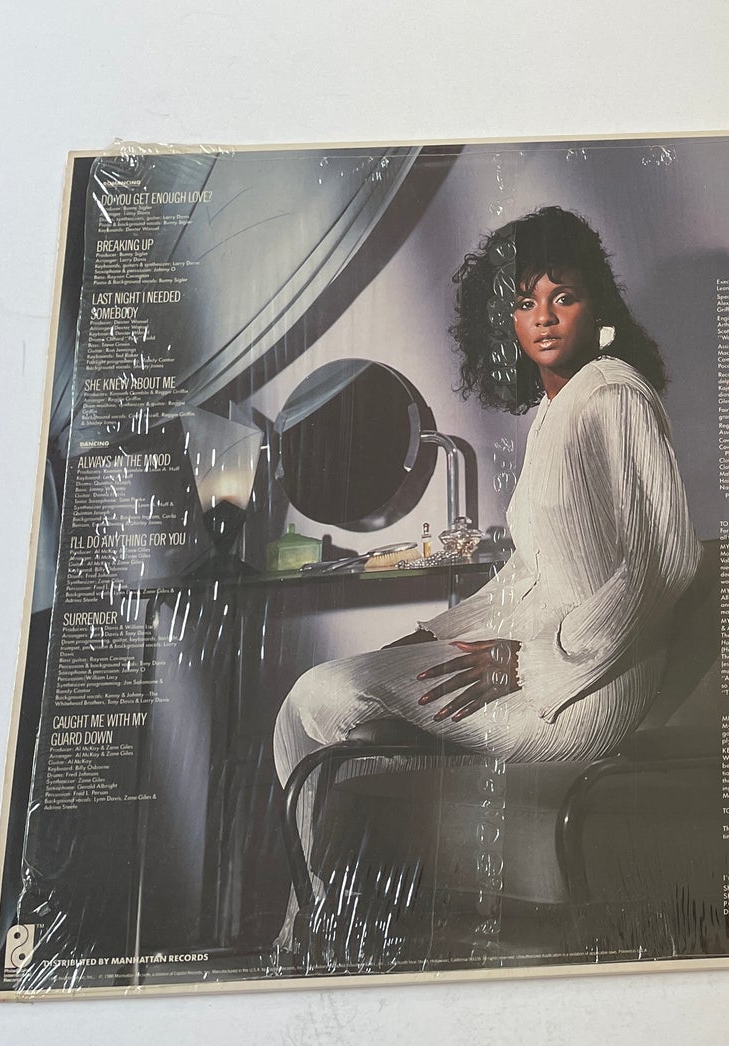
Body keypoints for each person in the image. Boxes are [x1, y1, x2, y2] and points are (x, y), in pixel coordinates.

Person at [272, 206, 699, 901]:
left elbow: (666, 561)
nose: (544, 317)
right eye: (524, 302)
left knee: (319, 700)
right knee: (341, 712)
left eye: (564, 296)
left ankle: (317, 919)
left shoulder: (613, 394)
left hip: (584, 694)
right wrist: (433, 634)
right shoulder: (558, 408)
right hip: (546, 671)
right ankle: (341, 911)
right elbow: (528, 574)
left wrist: (527, 663)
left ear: (596, 304)